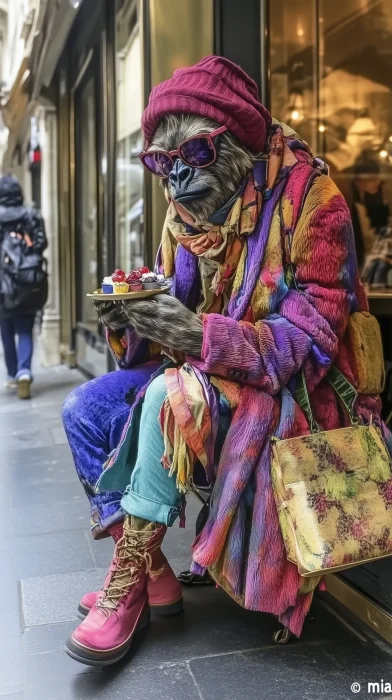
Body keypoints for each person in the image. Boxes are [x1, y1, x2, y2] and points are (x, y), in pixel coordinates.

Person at [62, 56, 386, 667]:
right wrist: (130, 322)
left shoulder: (316, 203)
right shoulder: (183, 219)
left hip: (295, 395)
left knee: (168, 397)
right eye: (162, 163)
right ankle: (152, 566)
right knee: (84, 407)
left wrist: (198, 336)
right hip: (205, 370)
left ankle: (126, 587)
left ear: (238, 144)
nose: (178, 180)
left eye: (198, 155)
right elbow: (165, 323)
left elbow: (310, 340)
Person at [0, 175, 47, 399]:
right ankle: (24, 372)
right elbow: (41, 244)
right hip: (27, 282)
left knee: (6, 328)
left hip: (3, 284)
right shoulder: (31, 214)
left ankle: (11, 375)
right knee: (25, 327)